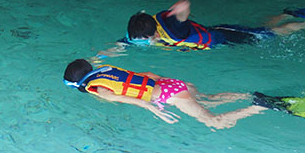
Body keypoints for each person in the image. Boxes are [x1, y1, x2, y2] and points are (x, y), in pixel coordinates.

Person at [63, 58, 266, 130]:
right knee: (209, 100)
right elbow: (148, 75)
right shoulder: (106, 71)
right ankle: (249, 95)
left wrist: (155, 110)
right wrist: (175, 86)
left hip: (170, 94)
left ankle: (260, 106)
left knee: (214, 122)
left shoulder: (99, 89)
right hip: (169, 83)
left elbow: (126, 99)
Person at [102, 0, 305, 54]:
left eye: (146, 41)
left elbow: (185, 4)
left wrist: (174, 12)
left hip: (224, 36)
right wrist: (99, 57)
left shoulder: (173, 27)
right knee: (259, 29)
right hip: (213, 32)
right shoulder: (141, 28)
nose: (145, 43)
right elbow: (123, 43)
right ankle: (284, 13)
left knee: (272, 35)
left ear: (152, 34)